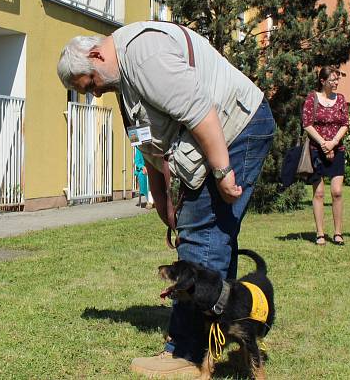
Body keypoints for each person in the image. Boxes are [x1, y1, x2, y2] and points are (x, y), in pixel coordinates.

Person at [57, 21, 275, 377]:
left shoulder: (144, 57)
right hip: (217, 138)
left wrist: (222, 171)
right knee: (212, 235)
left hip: (235, 131)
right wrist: (164, 203)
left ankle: (187, 353)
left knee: (202, 236)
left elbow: (199, 111)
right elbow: (151, 145)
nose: (95, 94)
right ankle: (224, 333)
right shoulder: (123, 77)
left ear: (96, 55)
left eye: (91, 85)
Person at [302, 67, 349, 246]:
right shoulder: (312, 98)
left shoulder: (341, 99)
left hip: (337, 149)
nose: (336, 83)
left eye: (337, 80)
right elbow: (307, 124)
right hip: (316, 150)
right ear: (322, 81)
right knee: (319, 193)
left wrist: (333, 142)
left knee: (337, 192)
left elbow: (345, 123)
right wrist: (323, 143)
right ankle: (320, 233)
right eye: (332, 80)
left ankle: (338, 233)